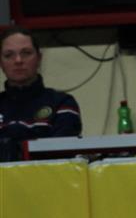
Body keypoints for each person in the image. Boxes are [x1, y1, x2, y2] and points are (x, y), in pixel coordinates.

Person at [0, 27, 81, 162]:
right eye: (9, 55)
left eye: (26, 53)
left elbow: (60, 155)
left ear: (39, 58)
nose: (18, 60)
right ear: (1, 63)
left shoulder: (62, 103)